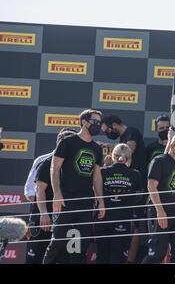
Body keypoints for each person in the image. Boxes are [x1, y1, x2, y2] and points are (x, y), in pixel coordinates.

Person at [43, 109, 105, 264]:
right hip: (65, 200)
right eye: (95, 122)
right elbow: (54, 168)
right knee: (56, 242)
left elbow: (97, 176)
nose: (98, 125)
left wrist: (101, 200)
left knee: (79, 245)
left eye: (99, 122)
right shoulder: (68, 142)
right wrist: (57, 194)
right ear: (84, 122)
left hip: (85, 202)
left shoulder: (97, 148)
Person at [26, 128, 77, 264]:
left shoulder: (76, 166)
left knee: (63, 258)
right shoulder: (45, 162)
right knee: (37, 257)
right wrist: (43, 213)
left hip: (64, 221)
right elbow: (34, 191)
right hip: (44, 221)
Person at [100, 115, 147, 263]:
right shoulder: (121, 140)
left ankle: (130, 260)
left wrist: (109, 149)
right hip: (118, 199)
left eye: (107, 130)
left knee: (135, 226)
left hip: (134, 188)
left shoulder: (131, 132)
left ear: (114, 124)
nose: (108, 133)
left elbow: (128, 150)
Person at [142, 133, 175, 264]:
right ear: (172, 146)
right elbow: (151, 186)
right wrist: (160, 211)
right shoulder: (159, 161)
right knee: (157, 253)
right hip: (161, 214)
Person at [96, 144, 143, 264]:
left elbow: (95, 191)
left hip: (103, 218)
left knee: (102, 256)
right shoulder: (135, 174)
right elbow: (139, 196)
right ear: (129, 158)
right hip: (123, 218)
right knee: (118, 257)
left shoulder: (102, 171)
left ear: (113, 156)